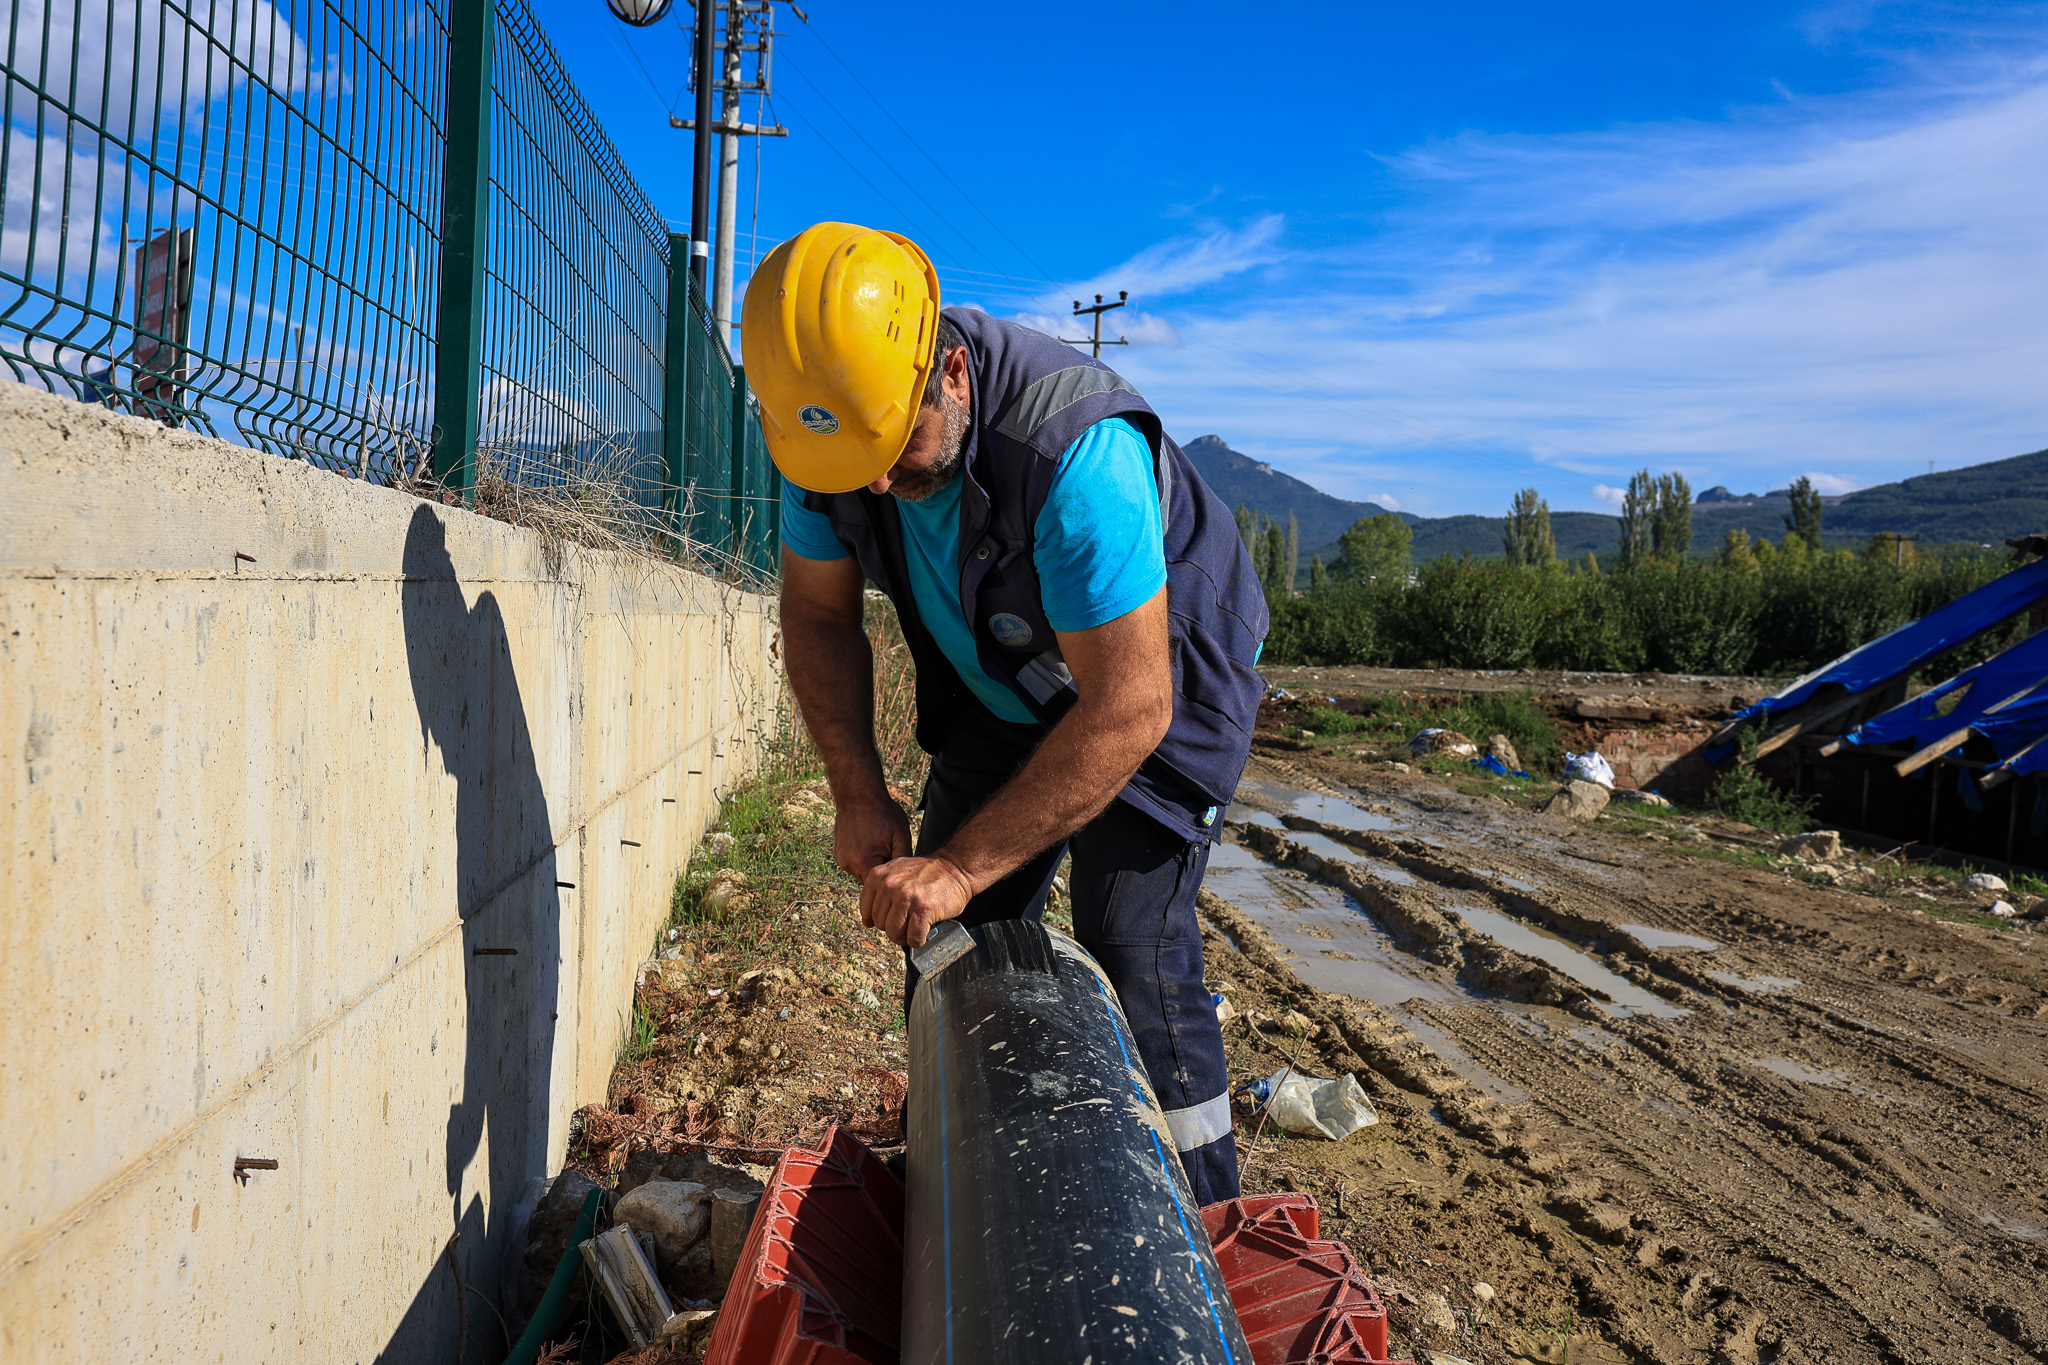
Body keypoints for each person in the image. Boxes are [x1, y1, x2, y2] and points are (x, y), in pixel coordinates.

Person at [740, 222, 1267, 1205]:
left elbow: (1126, 708)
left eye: (897, 452)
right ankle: (957, 1202)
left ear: (947, 372)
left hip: (1151, 679)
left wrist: (954, 863)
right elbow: (817, 620)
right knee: (948, 945)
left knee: (1131, 950)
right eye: (849, 463)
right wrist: (859, 793)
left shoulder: (1074, 457)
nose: (876, 487)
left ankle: (1212, 1229)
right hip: (1005, 681)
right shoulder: (832, 436)